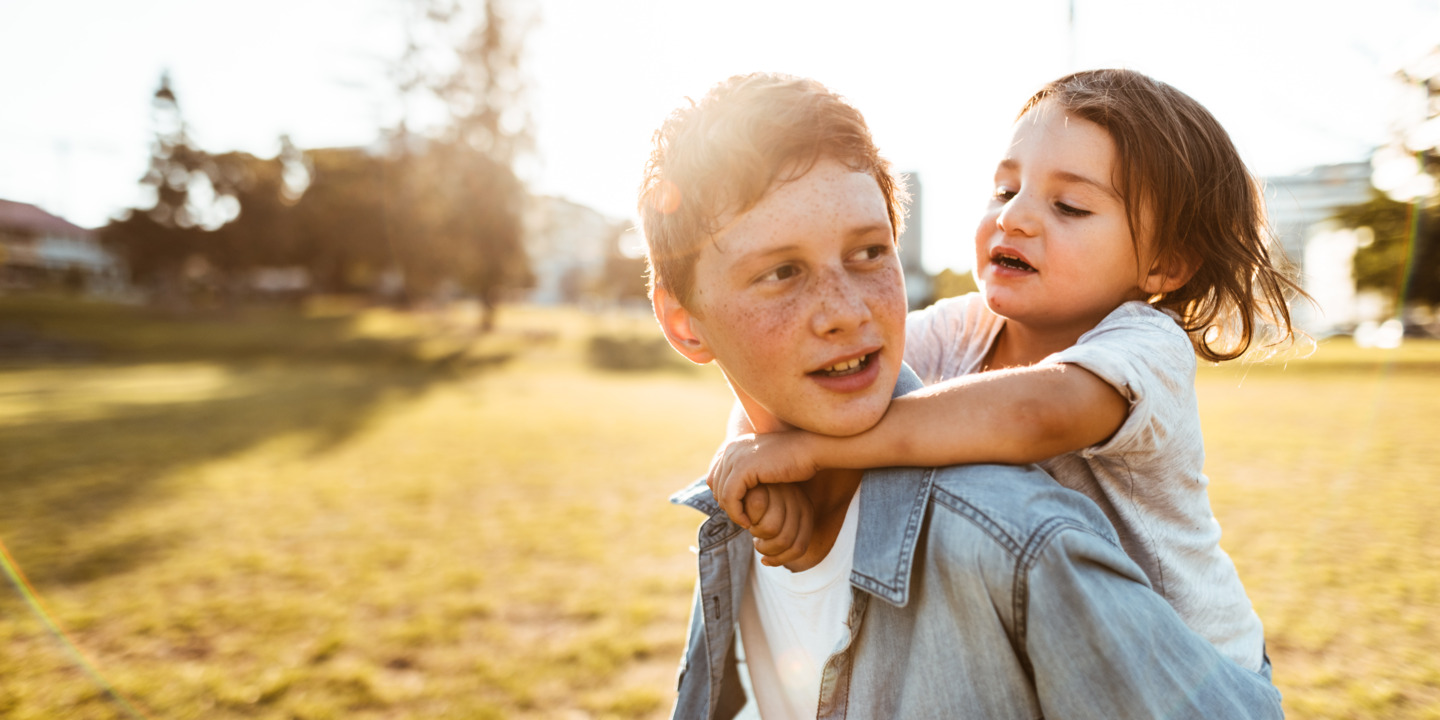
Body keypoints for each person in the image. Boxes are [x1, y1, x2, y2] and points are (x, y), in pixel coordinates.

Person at [643, 71, 1285, 719]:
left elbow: (1035, 414)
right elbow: (793, 379)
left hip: (1192, 670)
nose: (1014, 217)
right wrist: (758, 460)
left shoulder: (1147, 345)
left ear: (1165, 265)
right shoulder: (963, 327)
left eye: (1070, 207)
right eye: (1006, 189)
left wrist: (812, 453)